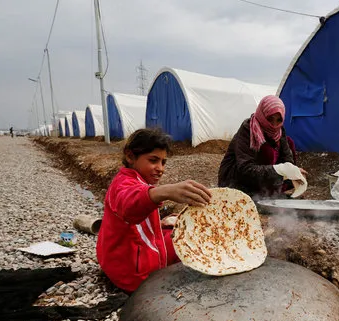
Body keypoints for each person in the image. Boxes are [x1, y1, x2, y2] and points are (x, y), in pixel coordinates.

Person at [96, 128, 212, 292]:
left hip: (123, 258)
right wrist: (166, 191)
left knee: (182, 229)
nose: (160, 168)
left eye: (163, 162)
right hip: (133, 275)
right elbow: (129, 205)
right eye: (153, 160)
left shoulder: (137, 181)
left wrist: (171, 219)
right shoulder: (123, 184)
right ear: (130, 156)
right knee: (196, 242)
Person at [218, 95, 306, 198]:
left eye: (278, 120)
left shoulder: (280, 132)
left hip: (262, 181)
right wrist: (281, 169)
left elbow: (287, 161)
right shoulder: (248, 130)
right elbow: (245, 169)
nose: (274, 125)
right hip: (237, 182)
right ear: (262, 115)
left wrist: (294, 172)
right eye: (270, 119)